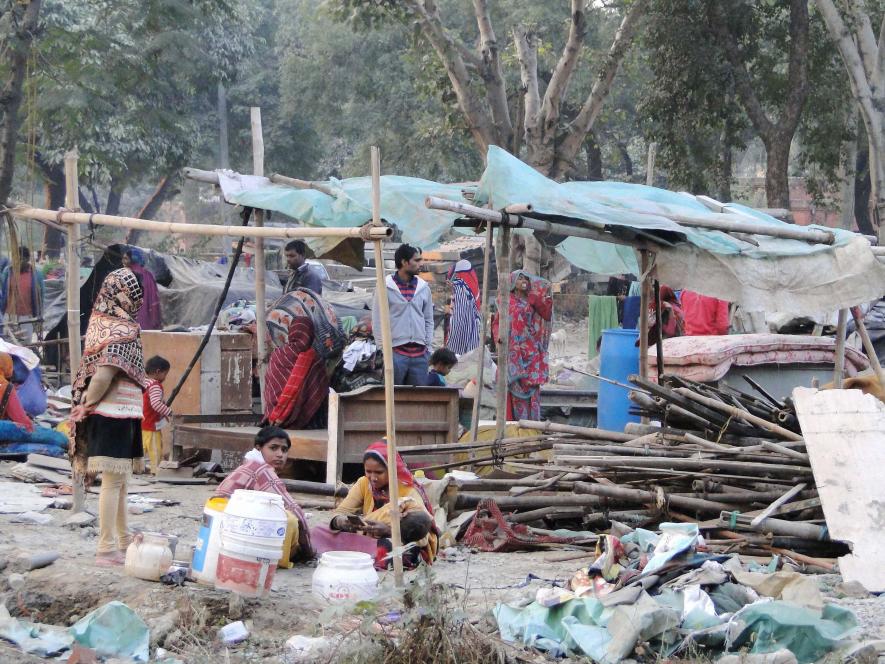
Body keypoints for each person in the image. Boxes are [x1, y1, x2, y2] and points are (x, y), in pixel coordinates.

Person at [69, 269, 147, 566]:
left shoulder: (101, 324)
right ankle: (106, 548)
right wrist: (88, 405)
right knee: (114, 483)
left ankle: (124, 540)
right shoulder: (120, 329)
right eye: (132, 294)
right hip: (112, 413)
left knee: (120, 481)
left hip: (121, 413)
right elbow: (103, 375)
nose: (136, 299)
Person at [330, 441, 437, 569]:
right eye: (368, 471)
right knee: (322, 531)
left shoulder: (408, 491)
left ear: (392, 469)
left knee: (389, 549)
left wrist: (388, 530)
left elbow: (421, 532)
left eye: (379, 472)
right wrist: (342, 522)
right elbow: (340, 511)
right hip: (368, 536)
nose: (373, 477)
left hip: (402, 541)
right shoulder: (364, 483)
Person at [215, 426, 313, 565]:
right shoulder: (261, 470)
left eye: (284, 450)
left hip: (220, 534)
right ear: (259, 448)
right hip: (232, 533)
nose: (280, 454)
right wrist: (310, 552)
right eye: (274, 448)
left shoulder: (249, 464)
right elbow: (295, 512)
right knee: (290, 519)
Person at [492, 270, 553, 421]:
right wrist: (499, 337)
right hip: (513, 349)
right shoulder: (505, 300)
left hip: (530, 349)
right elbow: (497, 323)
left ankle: (532, 422)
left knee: (531, 385)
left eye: (525, 278)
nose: (524, 280)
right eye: (520, 278)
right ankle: (513, 422)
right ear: (513, 282)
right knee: (513, 386)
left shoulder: (532, 298)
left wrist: (542, 294)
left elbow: (546, 314)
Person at [372, 244, 434, 386]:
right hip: (395, 353)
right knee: (394, 398)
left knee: (417, 400)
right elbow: (377, 320)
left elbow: (428, 319)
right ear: (404, 262)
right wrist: (384, 350)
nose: (421, 264)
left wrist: (428, 347)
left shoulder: (424, 288)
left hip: (420, 354)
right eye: (417, 260)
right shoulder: (385, 287)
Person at [262, 316, 329, 429]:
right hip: (306, 421)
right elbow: (319, 392)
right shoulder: (314, 358)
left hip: (273, 416)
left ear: (291, 331)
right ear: (311, 333)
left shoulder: (277, 354)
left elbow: (270, 386)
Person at [0, 246, 45, 342]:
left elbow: (41, 296)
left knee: (26, 345)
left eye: (21, 259)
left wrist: (40, 316)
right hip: (9, 315)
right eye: (16, 259)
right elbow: (3, 293)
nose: (18, 262)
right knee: (8, 345)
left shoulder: (36, 274)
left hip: (27, 318)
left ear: (27, 259)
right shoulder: (8, 272)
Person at [142, 355, 172, 474]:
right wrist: (169, 412)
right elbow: (155, 404)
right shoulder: (155, 386)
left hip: (141, 422)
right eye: (165, 374)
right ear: (158, 372)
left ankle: (135, 468)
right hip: (151, 425)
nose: (165, 377)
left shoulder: (144, 382)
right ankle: (156, 470)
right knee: (155, 449)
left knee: (140, 449)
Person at [444, 259, 481, 355]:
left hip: (459, 321)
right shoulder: (472, 282)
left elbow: (459, 311)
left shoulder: (460, 284)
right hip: (471, 321)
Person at [122, 248, 162, 330]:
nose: (123, 261)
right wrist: (155, 320)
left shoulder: (123, 275)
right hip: (145, 321)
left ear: (132, 259)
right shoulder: (148, 275)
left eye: (126, 258)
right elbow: (154, 300)